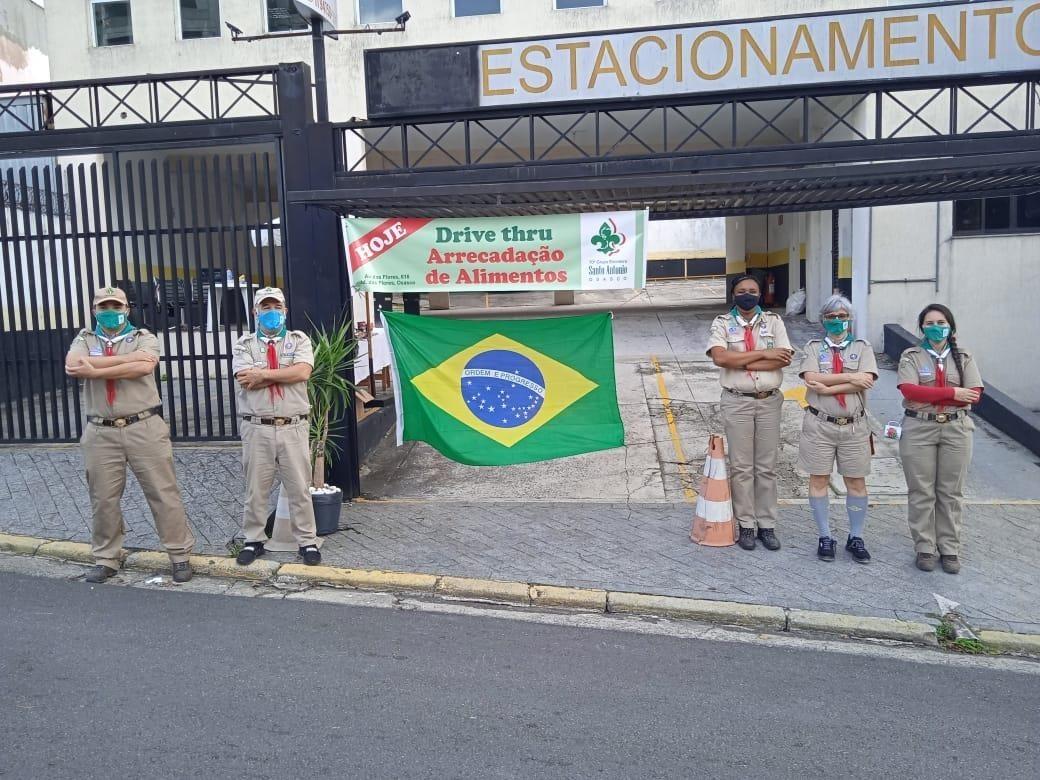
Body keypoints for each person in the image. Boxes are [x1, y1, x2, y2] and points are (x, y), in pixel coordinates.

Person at [65, 286, 195, 584]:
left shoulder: (143, 337)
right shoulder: (85, 338)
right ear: (95, 310)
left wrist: (94, 369)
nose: (110, 311)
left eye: (116, 305)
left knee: (163, 492)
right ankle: (107, 558)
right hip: (100, 430)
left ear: (127, 308)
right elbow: (73, 365)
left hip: (144, 426)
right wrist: (124, 363)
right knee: (103, 498)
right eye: (103, 306)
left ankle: (179, 555)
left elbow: (144, 365)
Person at [232, 287, 321, 566]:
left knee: (299, 487)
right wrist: (284, 375)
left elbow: (303, 371)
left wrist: (263, 375)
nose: (271, 312)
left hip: (292, 426)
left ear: (285, 311)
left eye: (276, 307)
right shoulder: (244, 345)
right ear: (255, 312)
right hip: (257, 426)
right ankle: (254, 539)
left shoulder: (299, 340)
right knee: (255, 487)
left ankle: (307, 541)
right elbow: (245, 378)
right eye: (265, 307)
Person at [707, 275, 794, 551]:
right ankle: (745, 524)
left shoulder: (774, 322)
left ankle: (766, 525)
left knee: (766, 467)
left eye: (753, 291)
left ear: (760, 295)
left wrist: (741, 359)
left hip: (768, 400)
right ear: (734, 294)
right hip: (737, 401)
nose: (748, 295)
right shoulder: (722, 323)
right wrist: (763, 356)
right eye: (742, 291)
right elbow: (720, 358)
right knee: (742, 466)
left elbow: (784, 358)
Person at [897, 304, 983, 574]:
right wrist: (954, 394)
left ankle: (949, 548)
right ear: (922, 327)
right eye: (930, 322)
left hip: (956, 429)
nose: (936, 326)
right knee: (921, 490)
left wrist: (946, 394)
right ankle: (924, 546)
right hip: (919, 428)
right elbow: (909, 391)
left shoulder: (964, 356)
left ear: (951, 325)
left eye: (941, 321)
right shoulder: (911, 355)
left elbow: (975, 394)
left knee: (950, 492)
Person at [797, 295, 878, 564]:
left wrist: (830, 386)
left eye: (842, 316)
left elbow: (866, 381)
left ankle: (856, 536)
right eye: (831, 317)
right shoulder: (813, 347)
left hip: (854, 426)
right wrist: (849, 378)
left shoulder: (862, 347)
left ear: (850, 318)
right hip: (820, 424)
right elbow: (811, 379)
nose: (837, 321)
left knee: (856, 481)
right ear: (823, 320)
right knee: (818, 478)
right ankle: (825, 536)